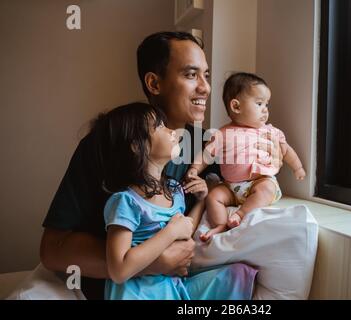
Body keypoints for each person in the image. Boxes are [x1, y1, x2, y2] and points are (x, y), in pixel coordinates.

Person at [40, 32, 269, 299]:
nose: (205, 88)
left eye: (206, 75)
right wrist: (151, 263)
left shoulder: (210, 146)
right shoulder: (107, 145)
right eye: (191, 75)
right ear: (154, 83)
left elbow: (244, 190)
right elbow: (52, 248)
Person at [89, 102, 255, 300]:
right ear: (136, 146)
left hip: (171, 286)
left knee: (239, 274)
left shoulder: (174, 189)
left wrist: (203, 199)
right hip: (136, 293)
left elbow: (185, 227)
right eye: (159, 126)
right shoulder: (125, 202)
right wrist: (171, 231)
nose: (172, 131)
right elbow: (118, 270)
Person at [187, 72, 306, 242]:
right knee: (214, 196)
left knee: (266, 189)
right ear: (236, 107)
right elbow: (206, 155)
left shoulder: (270, 131)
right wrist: (194, 168)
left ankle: (240, 214)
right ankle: (220, 225)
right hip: (230, 187)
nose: (265, 109)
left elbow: (285, 150)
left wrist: (298, 167)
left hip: (259, 181)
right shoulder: (222, 134)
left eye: (266, 104)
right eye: (259, 103)